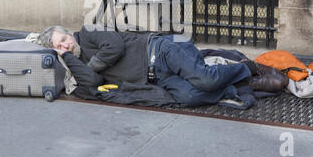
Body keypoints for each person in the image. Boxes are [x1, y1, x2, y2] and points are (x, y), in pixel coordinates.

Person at [39, 25, 281, 107]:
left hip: (161, 50)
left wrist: (90, 64)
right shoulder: (75, 65)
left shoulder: (88, 32)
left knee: (205, 80)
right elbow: (92, 83)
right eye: (59, 48)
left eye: (64, 40)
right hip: (157, 78)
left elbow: (114, 46)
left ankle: (246, 68)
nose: (66, 46)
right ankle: (238, 84)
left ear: (68, 33)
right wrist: (69, 59)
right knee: (188, 97)